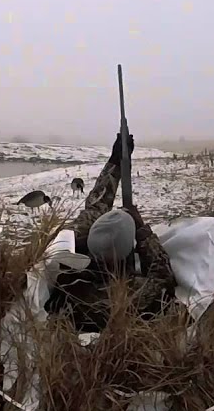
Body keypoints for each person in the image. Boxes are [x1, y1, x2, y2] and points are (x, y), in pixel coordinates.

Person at [44, 133, 177, 332]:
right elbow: (163, 276)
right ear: (127, 251)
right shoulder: (135, 292)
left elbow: (95, 207)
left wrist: (115, 160)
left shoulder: (66, 276)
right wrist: (142, 232)